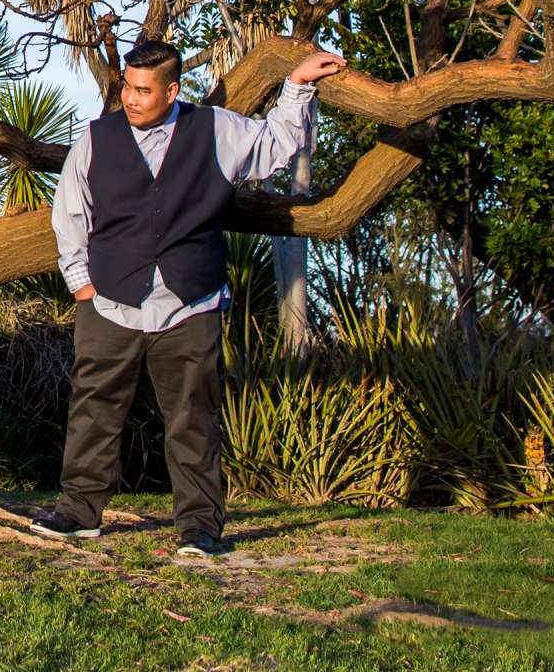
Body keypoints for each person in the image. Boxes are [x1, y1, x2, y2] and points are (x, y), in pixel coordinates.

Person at [32, 38, 347, 558]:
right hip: (110, 303)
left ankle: (199, 528)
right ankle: (78, 512)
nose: (130, 99)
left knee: (193, 417)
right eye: (127, 88)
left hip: (190, 304)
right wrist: (81, 284)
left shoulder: (216, 129)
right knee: (93, 408)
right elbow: (69, 215)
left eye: (142, 90)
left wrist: (296, 86)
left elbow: (276, 145)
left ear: (172, 89)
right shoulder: (95, 139)